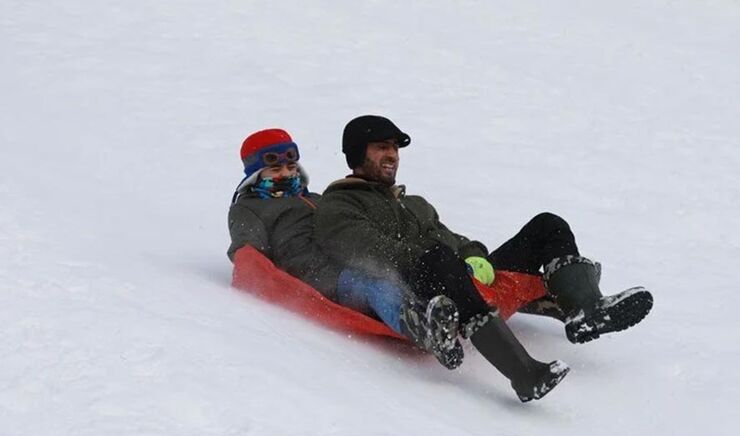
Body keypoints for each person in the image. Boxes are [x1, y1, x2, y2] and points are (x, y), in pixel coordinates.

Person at [314, 115, 653, 402]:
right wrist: (438, 259)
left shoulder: (414, 203)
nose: (393, 155)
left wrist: (474, 255)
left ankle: (585, 311)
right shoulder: (339, 206)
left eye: (395, 148)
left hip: (462, 276)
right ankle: (524, 373)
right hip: (426, 290)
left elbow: (455, 239)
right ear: (357, 154)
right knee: (437, 255)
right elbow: (363, 249)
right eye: (382, 148)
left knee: (547, 225)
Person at [227, 128, 462, 368]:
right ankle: (422, 330)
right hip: (320, 273)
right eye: (276, 169)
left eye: (291, 167)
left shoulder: (318, 198)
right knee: (374, 283)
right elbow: (247, 250)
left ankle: (443, 315)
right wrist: (258, 274)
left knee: (394, 268)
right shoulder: (248, 208)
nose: (286, 174)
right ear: (256, 174)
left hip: (345, 257)